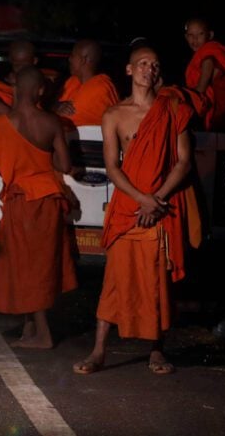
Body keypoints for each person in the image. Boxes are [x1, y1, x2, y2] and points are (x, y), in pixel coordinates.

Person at [74, 44, 194, 375]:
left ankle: (157, 350)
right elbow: (112, 167)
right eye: (142, 64)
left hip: (160, 205)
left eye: (154, 65)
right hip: (129, 206)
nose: (148, 70)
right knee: (114, 281)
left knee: (157, 280)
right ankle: (99, 350)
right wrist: (141, 198)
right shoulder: (113, 114)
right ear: (129, 70)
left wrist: (157, 198)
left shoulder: (173, 109)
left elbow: (184, 161)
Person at [0, 67, 77, 348]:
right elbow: (64, 165)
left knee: (25, 266)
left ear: (15, 89)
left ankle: (43, 334)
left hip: (21, 201)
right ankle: (30, 328)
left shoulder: (3, 123)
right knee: (39, 265)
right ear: (40, 91)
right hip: (47, 199)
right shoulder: (51, 122)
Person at [55, 39, 119, 126]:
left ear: (83, 60)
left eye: (73, 55)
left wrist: (53, 108)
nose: (69, 59)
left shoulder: (99, 89)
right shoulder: (73, 81)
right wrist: (55, 106)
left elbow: (61, 121)